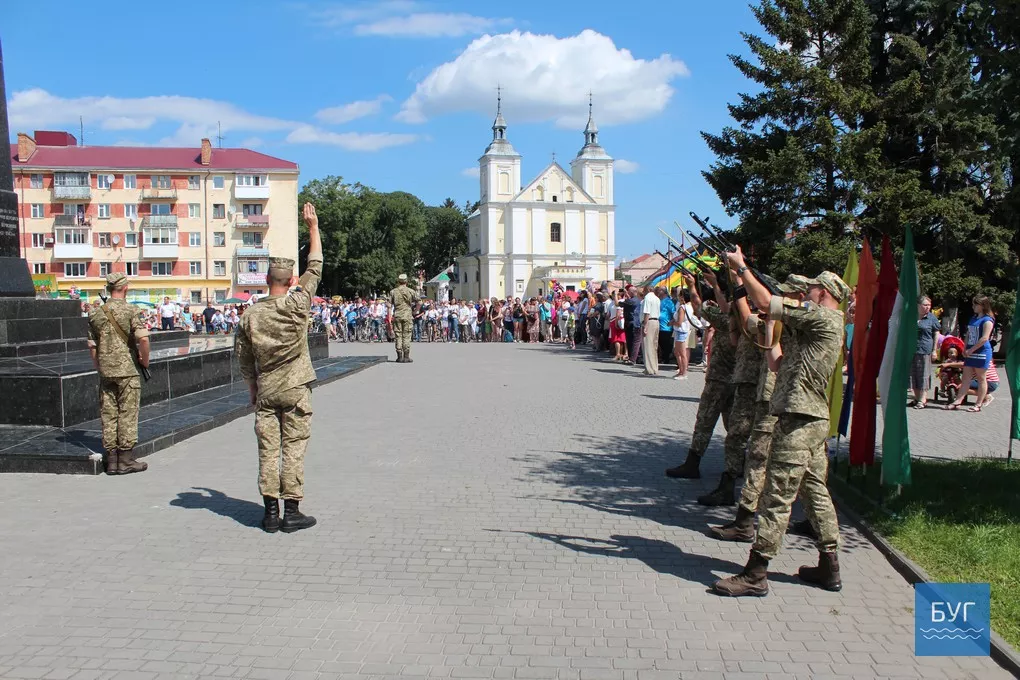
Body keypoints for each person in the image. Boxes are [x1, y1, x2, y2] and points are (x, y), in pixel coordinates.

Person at [712, 249, 848, 597]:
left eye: (812, 289)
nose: (808, 293)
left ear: (823, 293)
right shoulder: (811, 329)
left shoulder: (825, 318)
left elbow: (766, 301)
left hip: (800, 421)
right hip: (807, 419)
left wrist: (742, 268)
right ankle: (829, 566)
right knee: (815, 492)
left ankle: (756, 573)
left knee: (776, 496)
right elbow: (774, 359)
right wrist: (768, 320)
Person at [235, 202, 322, 534]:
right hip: (296, 388)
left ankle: (270, 513)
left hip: (267, 390)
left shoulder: (251, 314)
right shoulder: (298, 303)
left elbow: (244, 358)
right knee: (293, 447)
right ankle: (292, 512)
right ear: (291, 281)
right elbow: (316, 266)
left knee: (268, 450)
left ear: (266, 279)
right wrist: (313, 227)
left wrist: (253, 388)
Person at [665, 269, 736, 479]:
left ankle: (693, 463)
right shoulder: (742, 315)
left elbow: (698, 307)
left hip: (719, 378)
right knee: (734, 425)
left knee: (705, 421)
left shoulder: (727, 317)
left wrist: (692, 286)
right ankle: (737, 466)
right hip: (737, 378)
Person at [88, 272, 151, 475]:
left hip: (106, 371)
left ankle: (112, 461)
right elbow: (143, 339)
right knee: (127, 413)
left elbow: (92, 345)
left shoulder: (95, 313)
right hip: (127, 371)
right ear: (125, 288)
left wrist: (99, 366)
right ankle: (125, 460)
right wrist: (145, 361)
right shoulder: (131, 310)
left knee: (108, 414)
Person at [947, 295, 996, 413]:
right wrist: (964, 348)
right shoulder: (973, 318)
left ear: (982, 305)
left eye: (975, 304)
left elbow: (984, 338)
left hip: (981, 352)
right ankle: (958, 401)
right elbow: (968, 334)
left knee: (981, 378)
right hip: (970, 352)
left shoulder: (987, 320)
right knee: (966, 378)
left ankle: (978, 404)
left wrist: (972, 349)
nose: (973, 306)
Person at [910, 295, 941, 408]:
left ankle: (923, 399)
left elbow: (936, 333)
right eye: (925, 305)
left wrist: (934, 350)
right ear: (918, 305)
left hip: (925, 349)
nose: (928, 307)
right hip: (912, 349)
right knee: (913, 374)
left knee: (923, 374)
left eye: (929, 305)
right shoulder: (911, 316)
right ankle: (917, 397)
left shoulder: (931, 318)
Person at [389, 273, 419, 363]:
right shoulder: (411, 291)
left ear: (398, 281)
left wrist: (390, 317)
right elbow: (419, 302)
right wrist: (415, 311)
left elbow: (389, 305)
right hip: (407, 315)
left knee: (398, 335)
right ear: (406, 281)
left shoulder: (393, 291)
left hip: (397, 315)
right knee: (407, 335)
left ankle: (399, 356)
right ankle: (406, 357)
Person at [641, 286, 661, 375]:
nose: (643, 292)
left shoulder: (647, 298)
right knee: (654, 345)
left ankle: (649, 369)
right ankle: (654, 367)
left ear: (648, 290)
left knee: (647, 345)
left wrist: (645, 325)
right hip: (656, 321)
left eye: (644, 290)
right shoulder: (657, 298)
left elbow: (647, 312)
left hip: (649, 321)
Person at [658, 287, 676, 366]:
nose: (658, 291)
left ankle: (666, 358)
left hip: (666, 327)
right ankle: (663, 357)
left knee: (666, 343)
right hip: (659, 326)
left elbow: (673, 312)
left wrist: (672, 322)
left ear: (664, 292)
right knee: (660, 342)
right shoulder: (659, 300)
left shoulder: (669, 302)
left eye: (660, 290)